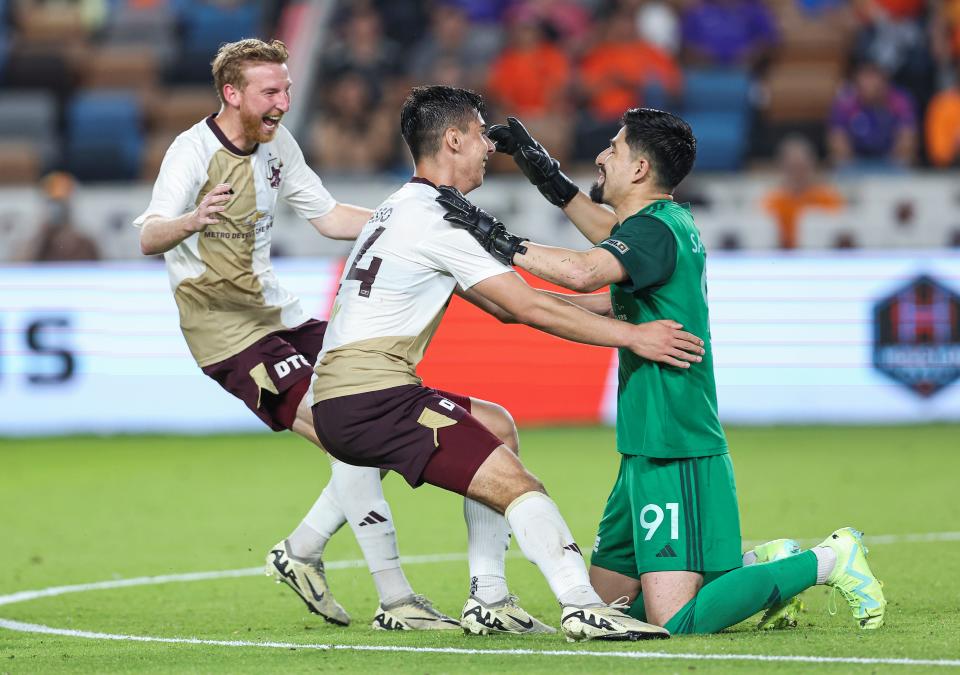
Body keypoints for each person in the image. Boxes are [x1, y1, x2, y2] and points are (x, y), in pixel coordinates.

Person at [438, 111, 887, 634]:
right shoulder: (662, 225)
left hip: (675, 441)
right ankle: (759, 567)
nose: (602, 156)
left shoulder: (653, 232)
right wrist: (540, 167)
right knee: (608, 611)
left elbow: (584, 272)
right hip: (644, 443)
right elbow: (605, 239)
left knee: (675, 620)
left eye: (614, 148)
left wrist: (490, 233)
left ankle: (827, 560)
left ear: (640, 169)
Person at [309, 85, 705, 641]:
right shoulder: (440, 218)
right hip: (373, 395)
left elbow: (505, 310)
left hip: (344, 393)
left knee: (497, 425)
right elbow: (531, 303)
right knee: (521, 487)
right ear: (451, 139)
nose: (488, 148)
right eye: (478, 134)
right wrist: (632, 336)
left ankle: (489, 597)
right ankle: (582, 607)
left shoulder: (403, 205)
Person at [133, 38, 453, 632]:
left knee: (369, 419)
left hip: (283, 313)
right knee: (350, 439)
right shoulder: (192, 151)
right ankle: (396, 599)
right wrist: (193, 219)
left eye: (285, 89)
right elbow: (149, 236)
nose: (283, 101)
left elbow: (329, 217)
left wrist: (410, 222)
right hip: (225, 332)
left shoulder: (278, 144)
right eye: (270, 91)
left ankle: (301, 551)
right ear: (232, 94)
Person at [762, 135, 844, 249]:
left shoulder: (828, 198)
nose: (797, 174)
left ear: (812, 166)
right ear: (781, 168)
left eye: (802, 168)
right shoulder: (772, 202)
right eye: (792, 168)